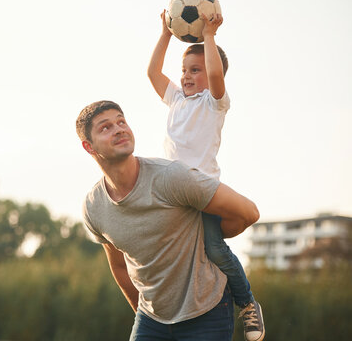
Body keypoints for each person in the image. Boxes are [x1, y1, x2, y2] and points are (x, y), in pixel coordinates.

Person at [76, 100, 260, 341]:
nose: (119, 128)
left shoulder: (172, 177)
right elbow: (119, 266)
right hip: (151, 320)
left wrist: (204, 238)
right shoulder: (93, 208)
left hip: (207, 312)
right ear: (88, 147)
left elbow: (248, 212)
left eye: (121, 121)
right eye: (106, 127)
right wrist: (143, 316)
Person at [147, 10, 264, 341]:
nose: (186, 76)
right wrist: (166, 34)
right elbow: (152, 72)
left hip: (203, 192)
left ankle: (247, 304)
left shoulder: (214, 103)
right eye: (184, 70)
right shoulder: (176, 101)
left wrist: (210, 36)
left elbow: (215, 74)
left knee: (214, 249)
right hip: (172, 194)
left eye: (194, 71)